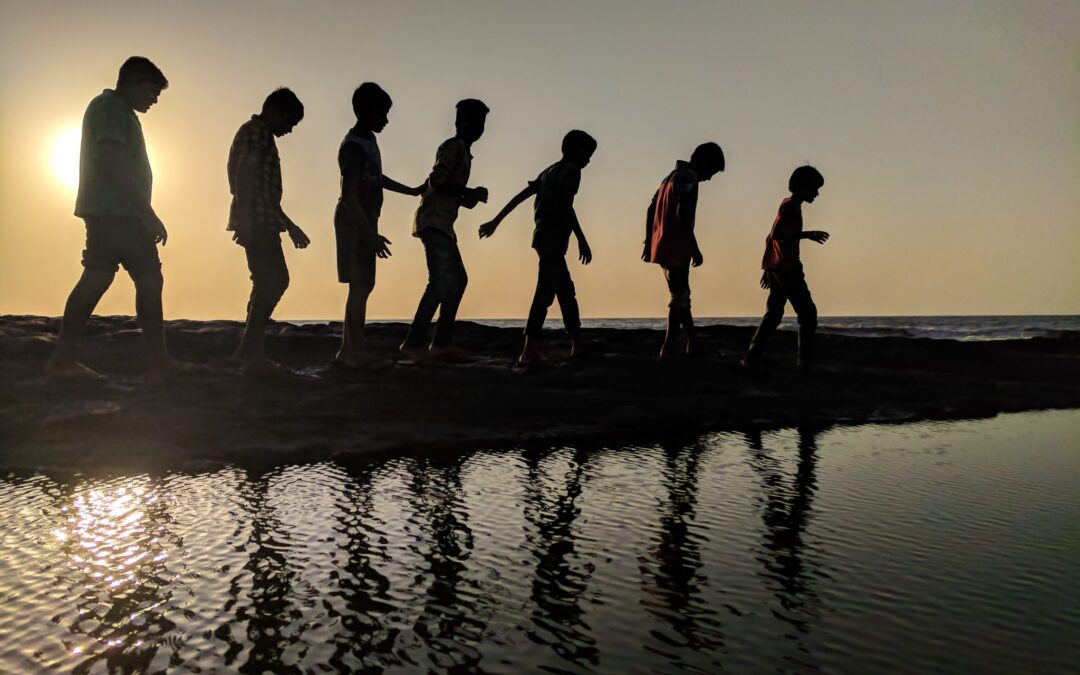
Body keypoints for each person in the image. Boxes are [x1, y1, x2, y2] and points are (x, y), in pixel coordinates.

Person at [47, 56, 182, 377]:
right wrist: (147, 213)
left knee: (108, 277)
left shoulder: (121, 112)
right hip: (116, 213)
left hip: (117, 213)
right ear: (133, 81)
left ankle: (64, 359)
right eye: (152, 91)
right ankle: (156, 362)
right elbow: (113, 162)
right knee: (130, 278)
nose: (154, 99)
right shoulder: (109, 108)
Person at [479, 130, 597, 366]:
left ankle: (577, 341)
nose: (588, 160)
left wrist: (496, 221)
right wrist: (582, 239)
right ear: (573, 150)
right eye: (587, 153)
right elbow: (566, 206)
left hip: (542, 237)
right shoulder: (571, 172)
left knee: (565, 290)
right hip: (552, 237)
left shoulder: (548, 171)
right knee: (545, 292)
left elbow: (521, 196)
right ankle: (528, 349)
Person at [333, 82, 424, 368]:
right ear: (367, 111)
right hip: (353, 221)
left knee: (362, 286)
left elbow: (377, 178)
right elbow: (349, 194)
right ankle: (355, 353)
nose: (386, 119)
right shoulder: (353, 147)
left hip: (364, 220)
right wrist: (369, 233)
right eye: (382, 113)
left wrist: (410, 190)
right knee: (360, 286)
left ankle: (348, 351)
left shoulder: (368, 142)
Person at [399, 99, 490, 361]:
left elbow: (448, 190)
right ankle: (414, 342)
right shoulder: (453, 147)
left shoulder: (465, 153)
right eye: (475, 122)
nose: (479, 128)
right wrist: (466, 191)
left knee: (457, 280)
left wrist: (468, 199)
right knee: (440, 281)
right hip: (434, 222)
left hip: (443, 223)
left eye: (482, 124)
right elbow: (437, 181)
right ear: (460, 123)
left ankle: (440, 342)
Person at [226, 88, 310, 371]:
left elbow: (265, 193)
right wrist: (247, 220)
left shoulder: (258, 134)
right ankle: (249, 350)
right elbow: (245, 178)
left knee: (265, 281)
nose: (289, 130)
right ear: (275, 112)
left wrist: (290, 226)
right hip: (257, 220)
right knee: (274, 280)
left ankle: (249, 348)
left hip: (263, 217)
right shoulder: (257, 132)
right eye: (289, 123)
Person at [642, 142, 725, 360]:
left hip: (661, 242)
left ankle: (693, 342)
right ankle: (669, 347)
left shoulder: (669, 177)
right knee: (679, 297)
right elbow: (683, 213)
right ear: (705, 163)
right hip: (676, 244)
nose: (710, 178)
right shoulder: (689, 178)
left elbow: (651, 208)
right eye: (712, 171)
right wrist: (694, 247)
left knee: (682, 295)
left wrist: (648, 241)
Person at [741, 165, 829, 371]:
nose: (816, 193)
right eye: (814, 188)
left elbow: (770, 236)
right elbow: (777, 234)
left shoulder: (788, 205)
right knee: (807, 313)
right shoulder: (790, 207)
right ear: (801, 186)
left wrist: (768, 267)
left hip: (778, 267)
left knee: (774, 314)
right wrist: (808, 235)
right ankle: (805, 362)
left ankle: (753, 356)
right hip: (787, 268)